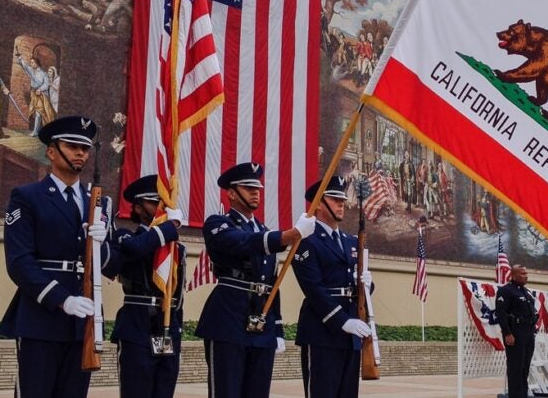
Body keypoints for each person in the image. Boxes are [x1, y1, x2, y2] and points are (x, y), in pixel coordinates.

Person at [0, 115, 113, 397]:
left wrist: (103, 243)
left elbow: (111, 266)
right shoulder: (28, 197)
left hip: (82, 322)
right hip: (42, 317)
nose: (79, 153)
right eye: (72, 146)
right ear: (51, 151)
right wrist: (62, 299)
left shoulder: (97, 202)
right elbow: (19, 262)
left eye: (84, 149)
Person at [195, 162, 316, 398]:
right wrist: (288, 236)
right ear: (231, 193)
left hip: (262, 325)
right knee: (226, 392)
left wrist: (277, 326)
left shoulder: (264, 230)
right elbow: (242, 242)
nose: (255, 192)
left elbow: (273, 283)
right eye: (248, 187)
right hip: (228, 320)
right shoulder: (218, 224)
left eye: (257, 188)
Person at [292, 176, 374, 398]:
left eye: (343, 200)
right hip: (322, 331)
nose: (342, 204)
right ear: (319, 203)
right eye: (335, 199)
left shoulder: (349, 241)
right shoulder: (306, 240)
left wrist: (367, 284)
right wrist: (342, 321)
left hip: (351, 334)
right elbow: (313, 288)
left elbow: (356, 286)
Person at [109, 175, 185, 398]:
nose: (161, 208)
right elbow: (136, 249)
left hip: (168, 327)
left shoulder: (174, 248)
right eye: (155, 202)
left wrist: (176, 331)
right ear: (138, 207)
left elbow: (178, 293)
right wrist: (169, 228)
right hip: (137, 325)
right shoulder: (124, 236)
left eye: (164, 204)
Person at [495, 264, 537, 398]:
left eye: (526, 273)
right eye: (522, 274)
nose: (526, 276)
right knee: (515, 367)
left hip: (528, 332)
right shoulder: (506, 291)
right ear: (513, 275)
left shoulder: (526, 291)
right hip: (515, 332)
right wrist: (507, 333)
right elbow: (501, 313)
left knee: (525, 367)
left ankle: (522, 395)